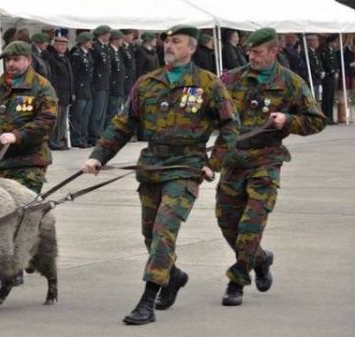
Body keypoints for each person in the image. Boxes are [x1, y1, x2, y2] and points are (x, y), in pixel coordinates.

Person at [82, 25, 239, 325]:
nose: (169, 45)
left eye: (176, 41)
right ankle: (174, 276)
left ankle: (147, 301)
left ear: (191, 48)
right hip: (152, 166)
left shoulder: (208, 84)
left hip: (186, 167)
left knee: (165, 230)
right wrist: (97, 157)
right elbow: (122, 124)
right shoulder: (147, 83)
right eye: (167, 41)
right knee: (151, 235)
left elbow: (231, 125)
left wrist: (214, 163)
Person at [217, 27, 325, 307]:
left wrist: (287, 121)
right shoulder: (231, 78)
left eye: (257, 52)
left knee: (251, 223)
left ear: (274, 51)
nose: (251, 56)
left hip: (266, 160)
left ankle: (237, 280)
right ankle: (261, 259)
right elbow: (208, 107)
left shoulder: (291, 82)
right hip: (234, 161)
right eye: (249, 51)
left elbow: (316, 120)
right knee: (227, 222)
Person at [0, 41, 57, 194]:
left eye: (16, 59)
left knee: (22, 209)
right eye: (7, 60)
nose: (10, 64)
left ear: (28, 60)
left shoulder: (41, 86)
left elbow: (47, 121)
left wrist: (17, 136)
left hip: (30, 161)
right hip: (2, 160)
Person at [47, 35, 74, 150]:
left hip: (66, 94)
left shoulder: (65, 58)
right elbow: (53, 79)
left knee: (62, 120)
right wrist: (54, 94)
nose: (63, 47)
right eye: (60, 44)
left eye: (65, 45)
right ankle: (53, 141)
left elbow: (70, 77)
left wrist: (72, 92)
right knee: (56, 119)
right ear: (55, 45)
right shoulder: (53, 59)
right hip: (58, 93)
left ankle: (59, 140)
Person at [69, 31, 94, 148]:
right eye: (89, 41)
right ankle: (77, 139)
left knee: (85, 116)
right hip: (80, 89)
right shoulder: (77, 55)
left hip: (88, 89)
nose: (91, 43)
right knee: (77, 116)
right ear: (83, 42)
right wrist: (73, 91)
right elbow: (73, 75)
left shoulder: (88, 54)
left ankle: (84, 138)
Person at [88, 25, 112, 145]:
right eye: (107, 34)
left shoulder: (104, 47)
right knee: (97, 112)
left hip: (105, 83)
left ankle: (99, 133)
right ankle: (94, 135)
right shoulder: (96, 47)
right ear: (102, 34)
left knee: (102, 112)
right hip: (98, 83)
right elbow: (93, 67)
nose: (109, 36)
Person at [106, 30, 126, 128]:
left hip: (119, 84)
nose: (122, 41)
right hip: (113, 85)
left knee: (117, 110)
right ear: (115, 40)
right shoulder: (110, 51)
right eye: (120, 39)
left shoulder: (119, 52)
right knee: (111, 110)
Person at [320, 34, 340, 123]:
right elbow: (326, 63)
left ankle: (331, 117)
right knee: (326, 99)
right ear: (331, 42)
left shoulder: (332, 52)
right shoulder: (325, 52)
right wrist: (333, 71)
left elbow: (335, 63)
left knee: (331, 99)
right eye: (335, 42)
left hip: (332, 78)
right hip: (327, 77)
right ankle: (326, 117)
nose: (336, 44)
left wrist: (337, 70)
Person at [120, 29, 137, 97]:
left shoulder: (130, 47)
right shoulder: (121, 48)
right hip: (125, 78)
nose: (132, 37)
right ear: (124, 36)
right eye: (131, 35)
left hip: (131, 78)